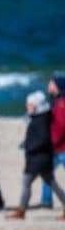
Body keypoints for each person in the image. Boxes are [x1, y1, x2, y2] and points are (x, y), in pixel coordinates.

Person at [6, 91, 65, 220]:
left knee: (27, 183)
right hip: (41, 158)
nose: (27, 106)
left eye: (30, 105)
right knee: (52, 183)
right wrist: (26, 143)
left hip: (37, 159)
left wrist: (28, 146)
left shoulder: (41, 119)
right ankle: (21, 210)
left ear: (36, 106)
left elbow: (43, 139)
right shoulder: (40, 116)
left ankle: (21, 211)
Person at [39, 75, 65, 209]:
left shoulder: (61, 102)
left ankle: (46, 201)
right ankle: (46, 200)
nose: (49, 86)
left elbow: (61, 126)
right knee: (46, 173)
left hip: (60, 147)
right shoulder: (57, 100)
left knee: (47, 172)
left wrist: (52, 143)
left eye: (51, 84)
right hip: (57, 147)